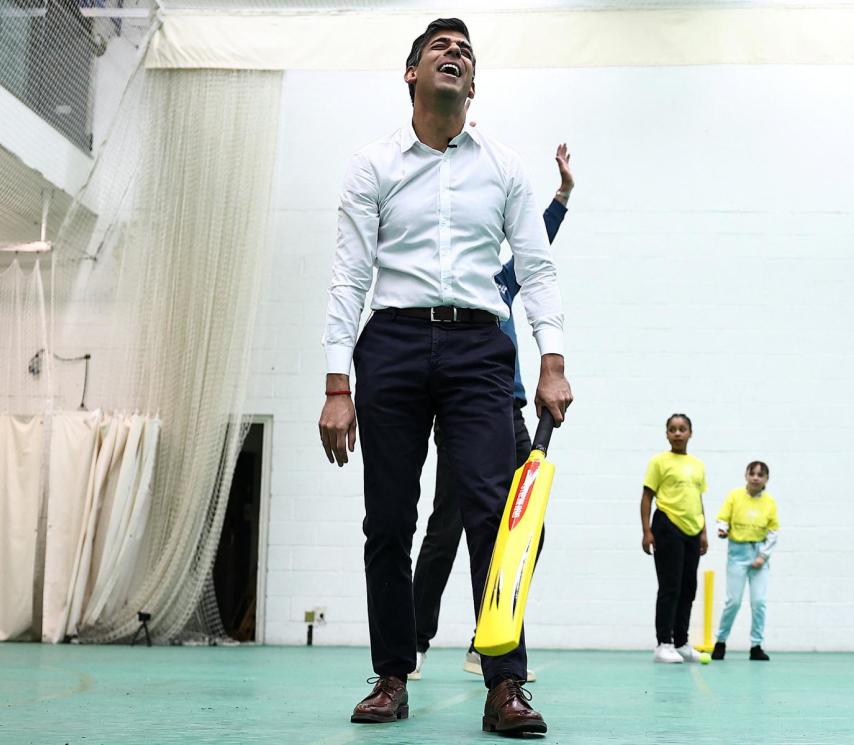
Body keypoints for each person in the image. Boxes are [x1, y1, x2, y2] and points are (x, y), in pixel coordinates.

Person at [317, 18, 573, 735]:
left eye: (465, 51)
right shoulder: (373, 165)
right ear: (412, 74)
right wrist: (338, 385)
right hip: (391, 345)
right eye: (441, 47)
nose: (455, 54)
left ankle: (506, 683)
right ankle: (392, 675)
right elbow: (348, 276)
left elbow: (536, 267)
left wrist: (551, 359)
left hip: (477, 349)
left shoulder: (506, 166)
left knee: (495, 516)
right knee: (390, 519)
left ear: (473, 82)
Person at [410, 143, 575, 683]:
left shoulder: (500, 285)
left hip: (508, 414)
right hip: (461, 414)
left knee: (529, 528)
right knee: (448, 528)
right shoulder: (456, 291)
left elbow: (538, 242)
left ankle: (491, 636)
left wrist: (562, 196)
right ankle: (415, 637)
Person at [640, 413, 708, 664]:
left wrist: (703, 531)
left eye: (682, 429)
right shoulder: (659, 462)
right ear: (667, 434)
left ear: (690, 432)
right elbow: (647, 496)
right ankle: (663, 644)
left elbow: (698, 498)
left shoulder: (697, 465)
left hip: (693, 530)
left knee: (689, 588)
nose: (677, 433)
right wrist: (647, 531)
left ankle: (681, 643)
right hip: (667, 525)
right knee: (670, 587)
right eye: (672, 429)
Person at [711, 461, 779, 661]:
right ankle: (720, 642)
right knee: (733, 601)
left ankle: (756, 646)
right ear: (746, 475)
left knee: (759, 602)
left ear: (766, 479)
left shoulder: (770, 503)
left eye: (761, 475)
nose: (756, 478)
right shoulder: (734, 497)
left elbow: (773, 532)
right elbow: (723, 518)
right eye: (753, 473)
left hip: (759, 554)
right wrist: (722, 529)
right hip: (737, 553)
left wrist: (763, 556)